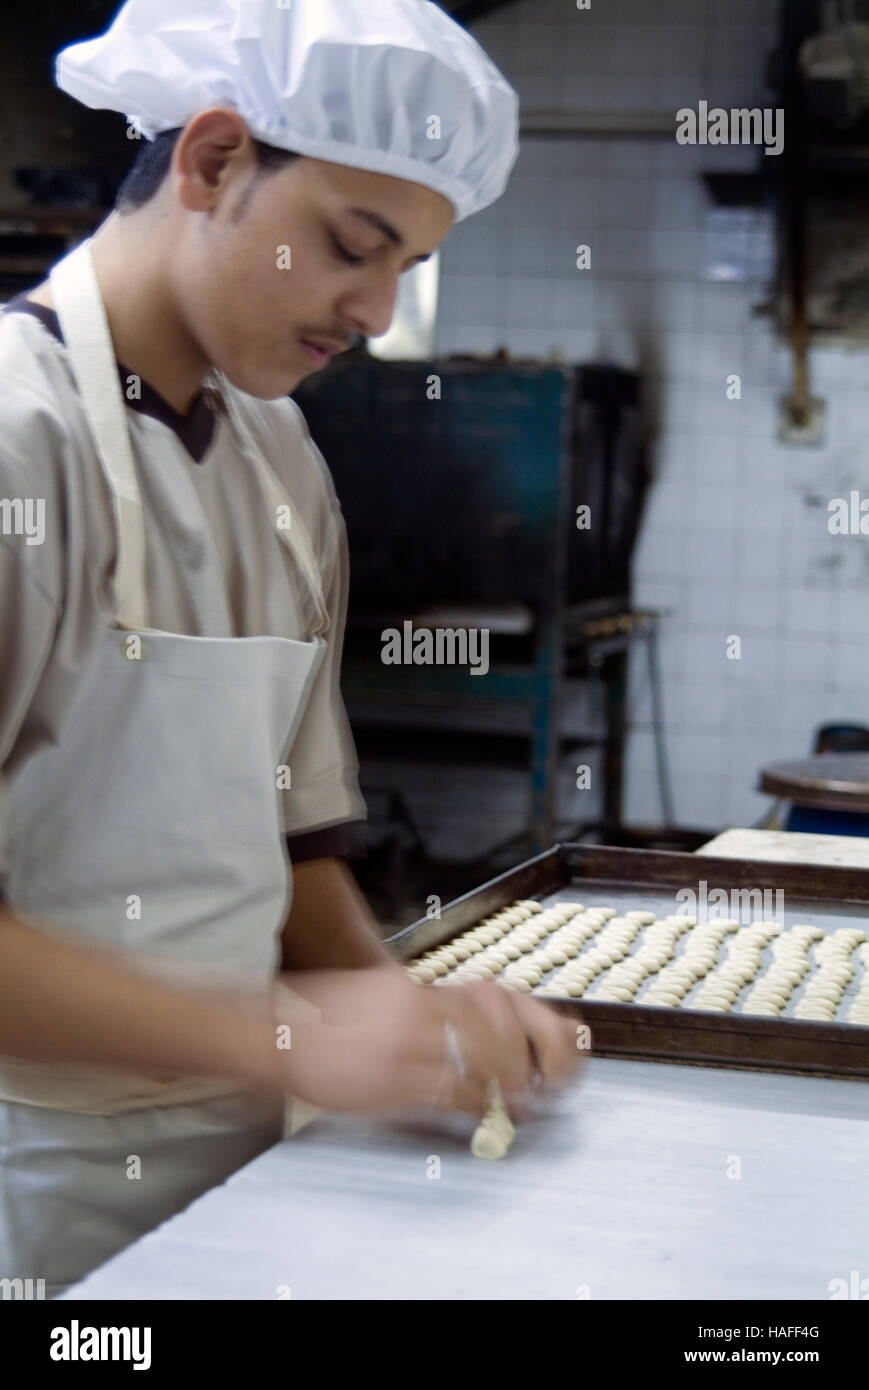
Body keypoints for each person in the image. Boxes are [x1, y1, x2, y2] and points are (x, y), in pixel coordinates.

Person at [0, 0, 583, 1297]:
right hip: (36, 1174)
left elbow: (288, 841)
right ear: (213, 160)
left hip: (253, 1155)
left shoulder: (276, 459)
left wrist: (414, 1021)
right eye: (352, 246)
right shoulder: (18, 441)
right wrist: (295, 1038)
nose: (375, 310)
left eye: (407, 267)